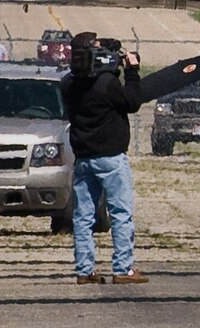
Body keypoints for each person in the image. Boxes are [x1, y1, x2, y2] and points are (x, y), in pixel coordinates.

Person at [62, 32, 147, 284]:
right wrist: (131, 71)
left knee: (83, 217)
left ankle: (84, 270)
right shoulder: (106, 84)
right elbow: (132, 101)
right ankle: (123, 269)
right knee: (121, 213)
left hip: (84, 159)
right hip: (110, 157)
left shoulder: (68, 84)